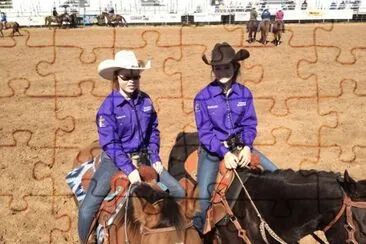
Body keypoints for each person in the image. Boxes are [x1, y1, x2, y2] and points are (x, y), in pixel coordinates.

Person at [78, 50, 186, 244]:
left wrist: (155, 158)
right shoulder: (107, 107)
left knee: (178, 192)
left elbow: (154, 130)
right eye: (126, 76)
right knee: (87, 208)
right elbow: (110, 144)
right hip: (115, 162)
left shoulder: (145, 100)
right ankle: (85, 240)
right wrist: (129, 169)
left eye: (136, 76)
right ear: (116, 77)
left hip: (145, 158)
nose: (131, 80)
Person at [192, 42, 278, 235]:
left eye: (227, 67)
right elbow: (205, 133)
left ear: (235, 67)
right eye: (218, 67)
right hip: (212, 150)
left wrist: (247, 147)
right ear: (213, 69)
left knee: (276, 173)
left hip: (241, 146)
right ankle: (197, 233)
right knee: (204, 196)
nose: (222, 71)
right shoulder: (202, 97)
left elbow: (249, 124)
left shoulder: (245, 93)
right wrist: (224, 153)